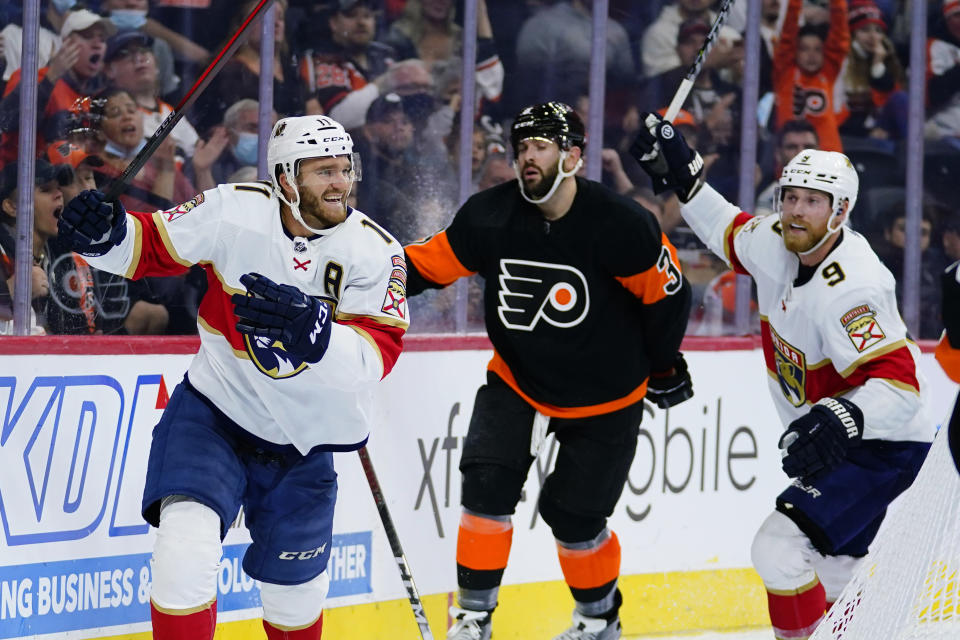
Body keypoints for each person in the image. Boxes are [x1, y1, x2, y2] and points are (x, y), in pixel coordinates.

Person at [56, 114, 408, 639]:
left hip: (304, 441)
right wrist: (104, 234)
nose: (340, 183)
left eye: (345, 169)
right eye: (323, 172)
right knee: (184, 551)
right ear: (286, 177)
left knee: (294, 602)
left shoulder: (376, 252)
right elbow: (147, 247)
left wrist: (320, 336)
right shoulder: (233, 209)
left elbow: (374, 361)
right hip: (214, 415)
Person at [631, 112, 935, 640]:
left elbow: (902, 386)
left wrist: (843, 415)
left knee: (777, 550)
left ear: (840, 212)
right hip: (846, 440)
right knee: (836, 571)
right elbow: (728, 231)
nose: (795, 211)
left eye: (811, 202)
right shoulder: (777, 239)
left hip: (883, 446)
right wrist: (685, 177)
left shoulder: (855, 288)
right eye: (790, 196)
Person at [404, 102, 693, 640]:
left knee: (575, 518)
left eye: (540, 146)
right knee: (485, 486)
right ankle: (472, 620)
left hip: (606, 394)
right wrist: (352, 281)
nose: (526, 158)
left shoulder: (621, 224)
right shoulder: (490, 215)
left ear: (574, 156)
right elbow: (422, 267)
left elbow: (669, 298)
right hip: (518, 376)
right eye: (521, 148)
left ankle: (598, 620)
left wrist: (664, 364)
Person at [773, 0, 850, 153]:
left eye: (817, 49)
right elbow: (788, 34)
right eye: (804, 49)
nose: (811, 55)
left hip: (828, 157)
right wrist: (795, 4)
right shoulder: (785, 73)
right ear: (795, 52)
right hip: (790, 158)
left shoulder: (827, 73)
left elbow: (840, 36)